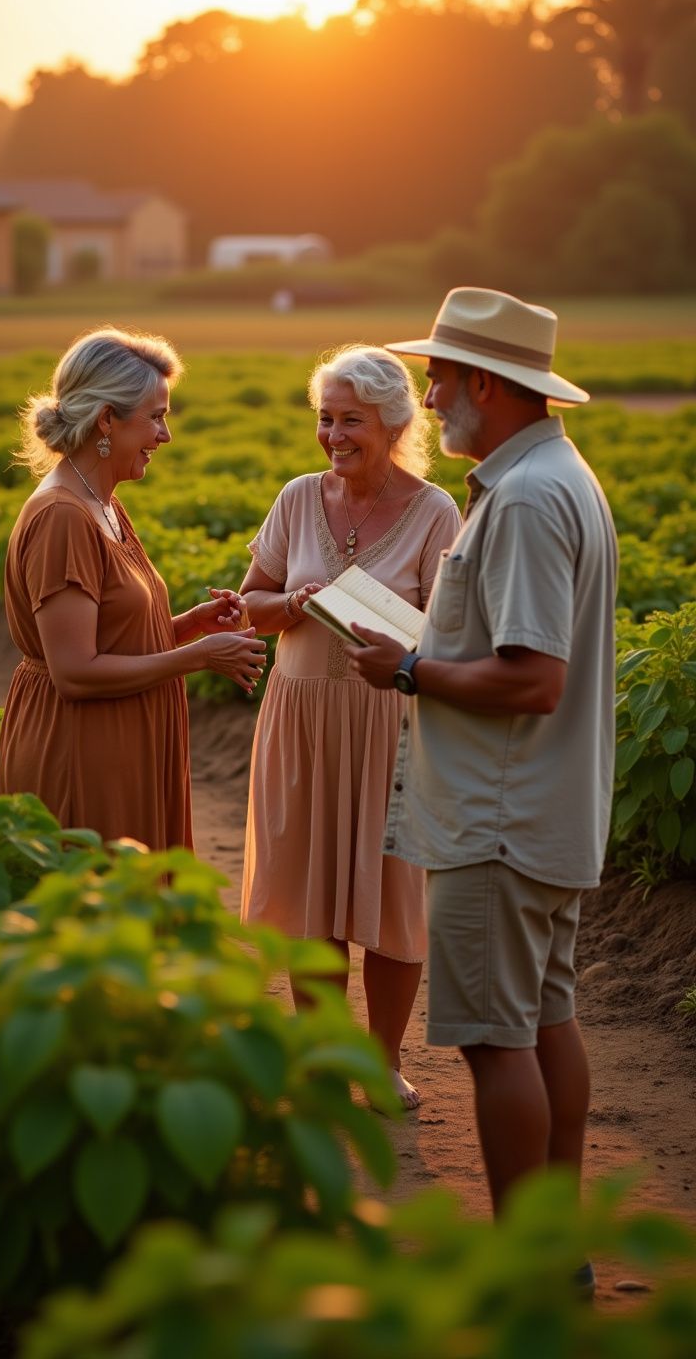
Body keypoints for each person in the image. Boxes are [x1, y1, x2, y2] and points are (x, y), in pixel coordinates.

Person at [350, 288, 617, 1237]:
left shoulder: (531, 499)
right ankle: (558, 1254)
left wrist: (410, 667)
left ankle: (525, 1267)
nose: (428, 403)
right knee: (545, 1022)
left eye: (438, 381)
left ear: (485, 384)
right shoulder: (554, 477)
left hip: (497, 818)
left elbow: (533, 679)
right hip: (538, 807)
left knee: (496, 1044)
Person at [239, 345, 461, 1108]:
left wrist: (395, 630)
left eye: (351, 420)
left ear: (395, 423)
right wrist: (297, 601)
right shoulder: (297, 498)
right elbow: (252, 606)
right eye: (325, 418)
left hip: (390, 725)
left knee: (392, 898)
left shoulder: (436, 511)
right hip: (300, 719)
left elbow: (451, 634)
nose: (333, 434)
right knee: (309, 899)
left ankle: (384, 1061)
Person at [0, 327, 266, 850]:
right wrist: (197, 658)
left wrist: (187, 627)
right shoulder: (63, 518)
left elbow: (105, 638)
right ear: (105, 420)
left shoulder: (104, 504)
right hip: (80, 749)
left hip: (114, 740)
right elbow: (75, 672)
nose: (165, 436)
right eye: (156, 418)